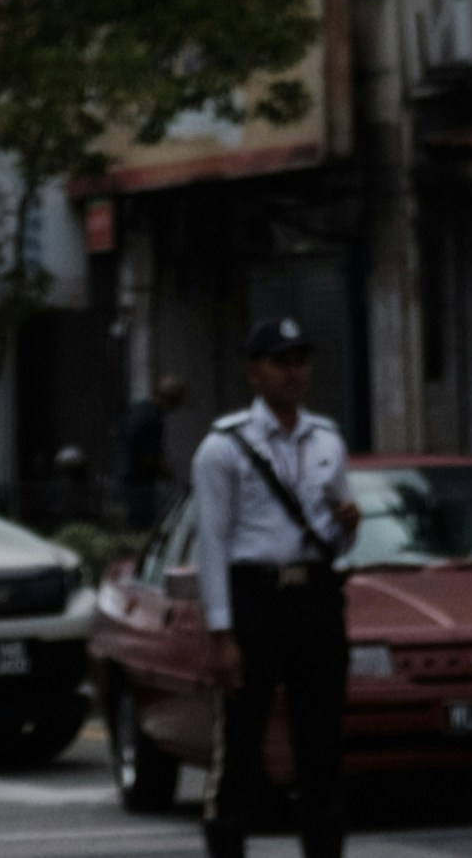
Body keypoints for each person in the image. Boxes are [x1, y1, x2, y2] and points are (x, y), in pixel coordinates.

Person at [191, 317, 357, 858]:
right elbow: (212, 543)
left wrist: (348, 527)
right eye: (281, 361)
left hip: (313, 596)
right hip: (254, 598)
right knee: (240, 745)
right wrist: (221, 632)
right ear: (252, 371)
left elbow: (335, 543)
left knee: (322, 745)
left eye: (301, 361)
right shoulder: (224, 446)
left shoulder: (327, 438)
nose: (294, 372)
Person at [116, 369, 185, 532]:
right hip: (139, 480)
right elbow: (150, 454)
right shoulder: (152, 416)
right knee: (141, 525)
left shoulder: (138, 408)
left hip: (127, 475)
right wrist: (169, 475)